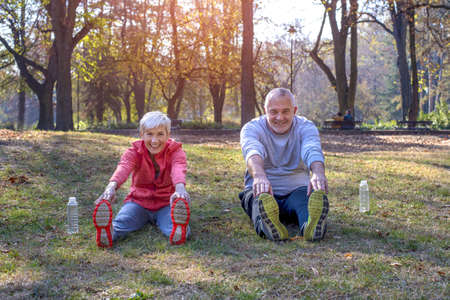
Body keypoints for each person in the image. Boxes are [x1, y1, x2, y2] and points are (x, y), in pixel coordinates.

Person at [239, 88, 329, 242]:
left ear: (294, 110)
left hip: (297, 190)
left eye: (285, 111)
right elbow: (253, 152)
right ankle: (267, 226)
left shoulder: (306, 127)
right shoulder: (251, 128)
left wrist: (318, 173)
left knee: (305, 204)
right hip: (263, 191)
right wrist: (260, 177)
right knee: (257, 203)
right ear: (265, 110)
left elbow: (312, 149)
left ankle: (310, 227)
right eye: (273, 112)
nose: (279, 117)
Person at [92, 111, 191, 247]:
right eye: (149, 134)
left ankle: (179, 230)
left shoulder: (176, 151)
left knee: (171, 226)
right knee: (123, 221)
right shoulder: (133, 151)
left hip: (166, 203)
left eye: (160, 134)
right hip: (138, 202)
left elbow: (178, 168)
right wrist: (111, 187)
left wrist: (180, 188)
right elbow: (124, 167)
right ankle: (108, 232)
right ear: (141, 134)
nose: (154, 140)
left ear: (168, 135)